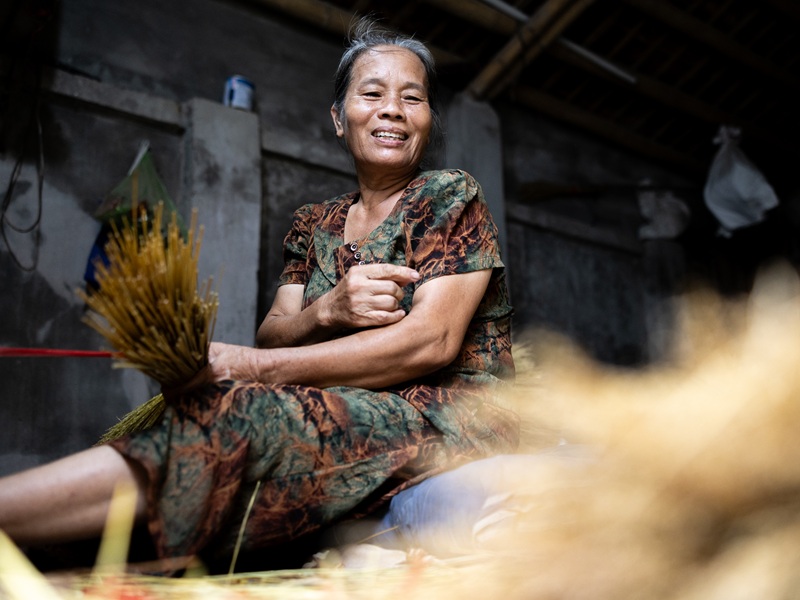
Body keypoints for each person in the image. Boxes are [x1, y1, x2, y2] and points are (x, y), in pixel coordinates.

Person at [0, 18, 518, 570]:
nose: (393, 109)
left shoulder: (449, 195)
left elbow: (432, 342)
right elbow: (275, 331)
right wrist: (328, 309)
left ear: (427, 121)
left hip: (445, 420)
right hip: (339, 404)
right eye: (372, 94)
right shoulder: (314, 224)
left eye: (412, 98)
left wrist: (248, 367)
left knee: (244, 414)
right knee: (193, 414)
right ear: (339, 119)